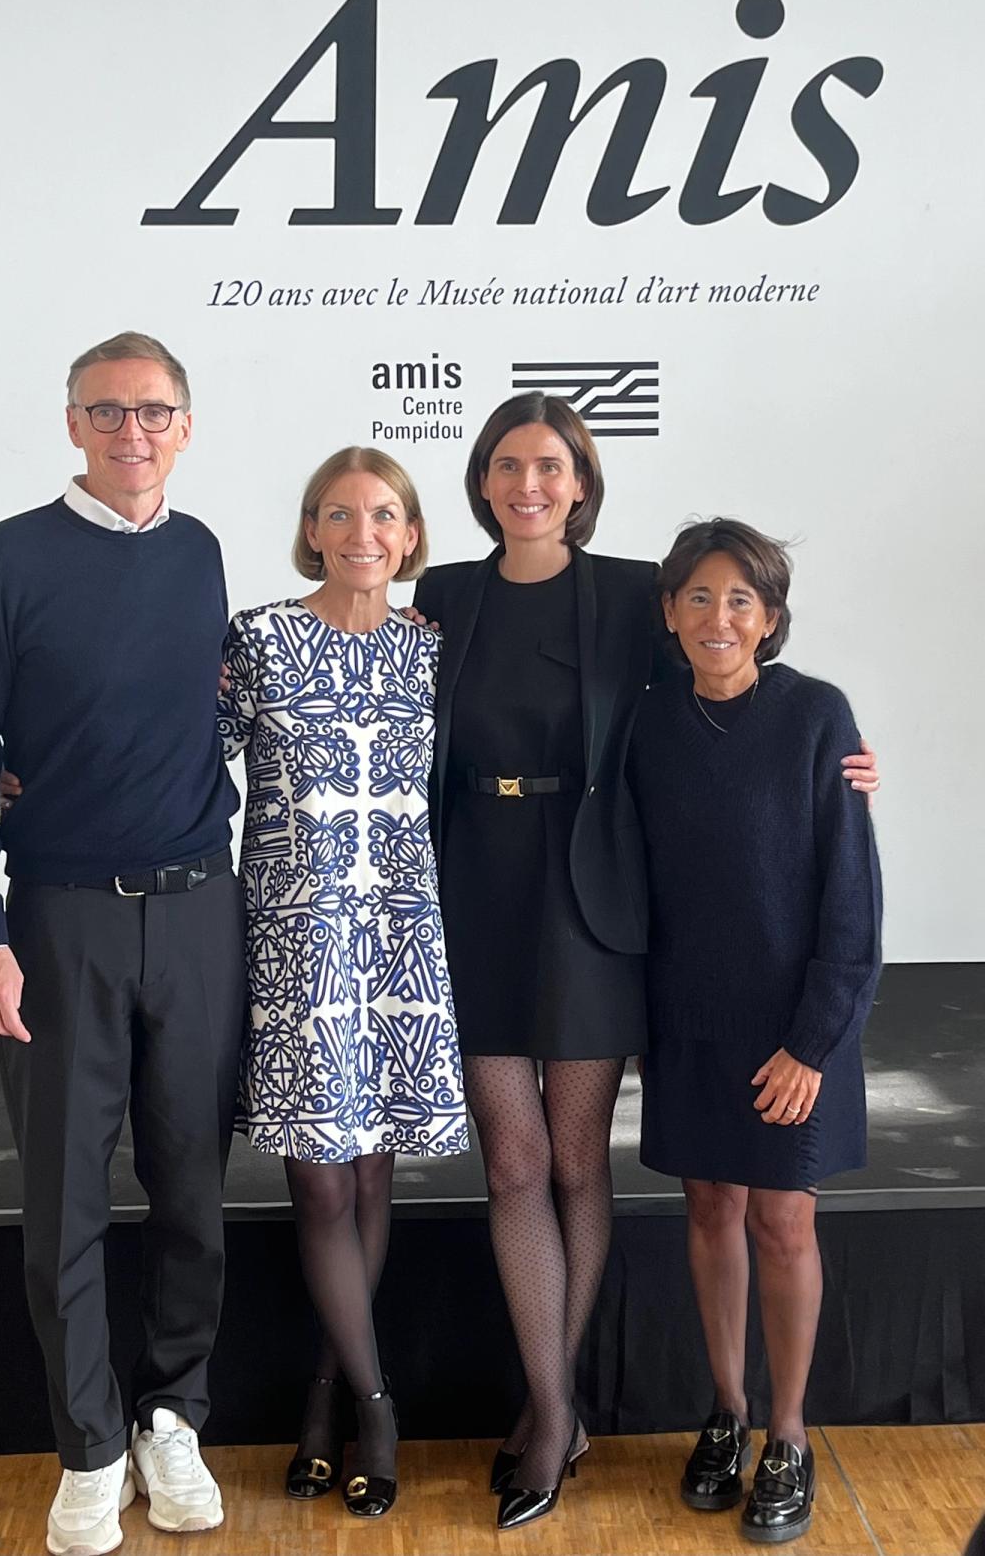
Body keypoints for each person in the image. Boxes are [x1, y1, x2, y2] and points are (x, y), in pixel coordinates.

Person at [412, 392, 879, 1532]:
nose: (530, 484)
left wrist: (842, 764)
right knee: (514, 1164)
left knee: (579, 1161)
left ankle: (618, 1412)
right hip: (477, 889)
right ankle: (554, 1407)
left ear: (582, 483)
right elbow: (371, 688)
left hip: (588, 899)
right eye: (509, 464)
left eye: (552, 466)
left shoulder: (632, 591)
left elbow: (730, 683)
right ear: (483, 481)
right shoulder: (445, 595)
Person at [0, 332, 245, 1556]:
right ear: (72, 423)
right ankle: (89, 1449)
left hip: (200, 910)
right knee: (63, 1197)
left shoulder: (203, 552)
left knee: (193, 1191)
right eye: (107, 411)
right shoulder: (4, 559)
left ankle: (172, 1417)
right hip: (60, 919)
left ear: (186, 426)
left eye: (154, 411)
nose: (132, 432)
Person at [217, 448, 469, 1519]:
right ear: (311, 531)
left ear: (410, 536)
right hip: (298, 940)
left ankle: (324, 1401)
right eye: (338, 514)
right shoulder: (260, 639)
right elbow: (181, 754)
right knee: (321, 1184)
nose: (362, 533)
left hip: (399, 932)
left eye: (382, 515)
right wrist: (34, 775)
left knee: (371, 1180)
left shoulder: (432, 649)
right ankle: (377, 1408)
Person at [629, 519, 882, 1544]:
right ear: (669, 613)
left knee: (782, 1221)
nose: (718, 617)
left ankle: (788, 1434)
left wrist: (813, 1044)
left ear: (771, 618)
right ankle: (727, 1413)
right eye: (698, 596)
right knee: (710, 1210)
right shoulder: (647, 722)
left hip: (793, 1033)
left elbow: (852, 898)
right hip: (689, 1021)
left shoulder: (818, 716)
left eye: (741, 600)